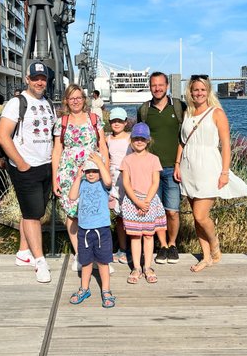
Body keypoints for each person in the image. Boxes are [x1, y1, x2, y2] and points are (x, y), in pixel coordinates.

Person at [173, 74, 247, 272]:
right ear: (190, 92)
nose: (199, 93)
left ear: (208, 91)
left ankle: (214, 244)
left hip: (209, 167)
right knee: (195, 215)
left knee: (201, 216)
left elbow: (226, 145)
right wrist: (177, 164)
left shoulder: (216, 113)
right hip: (188, 167)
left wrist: (225, 172)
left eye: (202, 89)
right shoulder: (188, 114)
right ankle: (206, 256)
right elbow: (183, 142)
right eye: (195, 90)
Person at [0, 61, 56, 283]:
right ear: (27, 79)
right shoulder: (16, 103)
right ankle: (40, 262)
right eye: (35, 78)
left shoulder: (47, 103)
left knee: (34, 212)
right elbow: (3, 135)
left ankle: (23, 252)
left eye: (43, 79)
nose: (40, 82)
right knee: (33, 215)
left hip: (45, 164)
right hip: (26, 167)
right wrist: (21, 163)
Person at [52, 84, 109, 272]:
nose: (75, 101)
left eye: (79, 97)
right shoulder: (62, 121)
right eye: (71, 98)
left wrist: (105, 171)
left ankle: (100, 257)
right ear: (66, 101)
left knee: (94, 209)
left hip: (92, 170)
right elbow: (57, 150)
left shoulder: (94, 119)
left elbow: (103, 148)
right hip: (69, 172)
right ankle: (81, 255)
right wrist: (55, 179)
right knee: (72, 212)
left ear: (84, 99)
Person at [137, 71, 186, 265]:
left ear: (167, 86)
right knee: (154, 211)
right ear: (150, 87)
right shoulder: (144, 110)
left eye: (160, 85)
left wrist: (179, 164)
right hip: (152, 171)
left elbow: (186, 136)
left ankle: (173, 244)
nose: (157, 88)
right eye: (153, 85)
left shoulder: (179, 107)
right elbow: (140, 138)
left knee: (172, 210)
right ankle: (162, 245)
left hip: (173, 168)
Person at [67, 153, 116, 308]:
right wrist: (79, 174)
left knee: (103, 261)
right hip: (84, 229)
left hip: (101, 230)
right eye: (89, 171)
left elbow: (108, 180)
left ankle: (106, 290)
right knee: (86, 261)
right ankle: (84, 288)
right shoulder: (82, 183)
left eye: (94, 171)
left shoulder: (103, 184)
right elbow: (72, 196)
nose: (91, 174)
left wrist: (99, 163)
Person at [120, 123, 166, 284]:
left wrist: (146, 202)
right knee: (135, 236)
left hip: (150, 200)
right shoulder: (127, 160)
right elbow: (126, 183)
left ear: (148, 140)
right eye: (136, 138)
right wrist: (137, 202)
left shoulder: (154, 159)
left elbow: (155, 182)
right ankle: (137, 267)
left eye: (142, 139)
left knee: (148, 235)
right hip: (133, 200)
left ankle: (148, 266)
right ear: (131, 140)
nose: (139, 141)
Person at [106, 107, 132, 264]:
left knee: (130, 214)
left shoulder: (130, 138)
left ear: (125, 122)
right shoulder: (107, 139)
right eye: (114, 121)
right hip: (113, 179)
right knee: (119, 217)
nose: (116, 124)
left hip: (128, 178)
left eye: (120, 121)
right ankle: (122, 248)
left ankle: (132, 248)